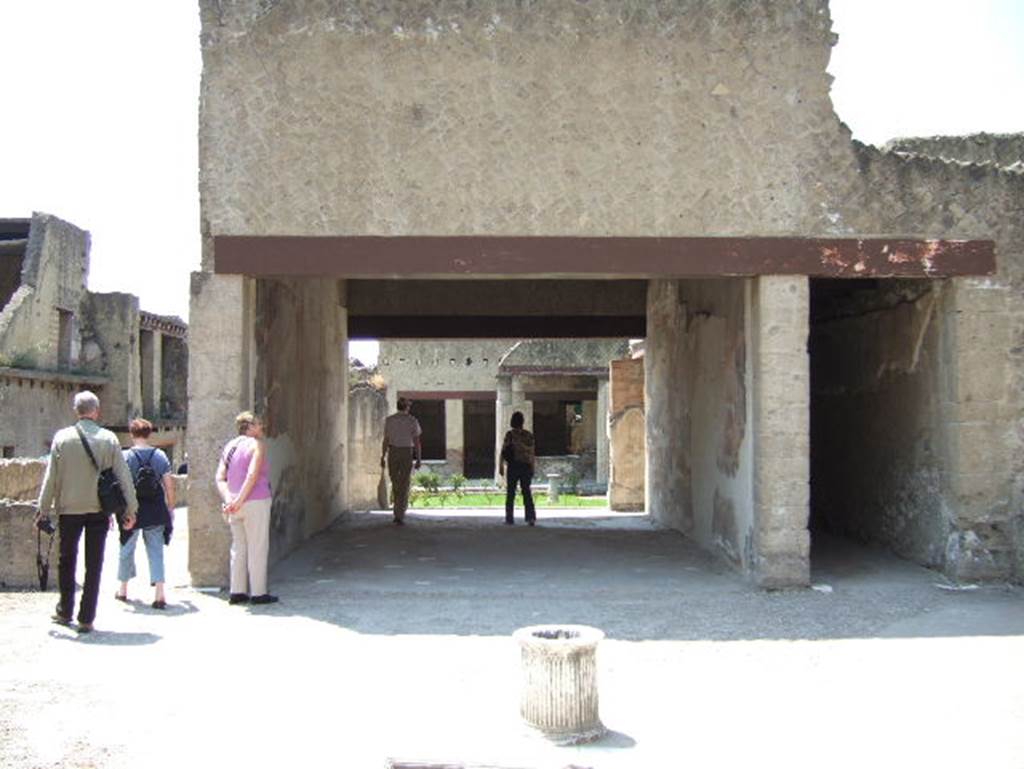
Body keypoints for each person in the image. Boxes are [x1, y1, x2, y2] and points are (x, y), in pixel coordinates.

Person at [35, 391, 138, 633]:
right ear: (96, 411)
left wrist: (42, 509)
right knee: (94, 562)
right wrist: (130, 510)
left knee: (66, 560)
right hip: (99, 510)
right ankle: (86, 617)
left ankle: (65, 609)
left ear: (76, 411)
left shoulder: (62, 438)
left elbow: (51, 478)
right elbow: (124, 478)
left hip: (69, 508)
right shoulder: (109, 439)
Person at [215, 411, 277, 605]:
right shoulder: (256, 445)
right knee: (257, 546)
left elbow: (219, 477)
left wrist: (230, 500)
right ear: (249, 427)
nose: (261, 428)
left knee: (238, 547)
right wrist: (240, 499)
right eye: (258, 424)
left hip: (233, 505)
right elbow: (252, 475)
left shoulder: (229, 447)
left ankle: (237, 591)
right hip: (255, 501)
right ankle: (258, 593)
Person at [115, 419, 175, 609]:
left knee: (126, 548)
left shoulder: (125, 456)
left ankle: (123, 589)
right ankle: (159, 593)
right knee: (156, 550)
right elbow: (169, 485)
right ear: (149, 434)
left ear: (132, 434)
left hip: (132, 509)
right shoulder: (160, 456)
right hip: (155, 509)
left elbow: (120, 486)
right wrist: (171, 508)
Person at [380, 397, 422, 525]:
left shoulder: (390, 420)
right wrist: (418, 458)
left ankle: (398, 512)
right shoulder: (412, 421)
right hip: (406, 453)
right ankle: (400, 513)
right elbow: (416, 442)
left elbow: (386, 440)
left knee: (395, 481)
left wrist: (382, 456)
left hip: (393, 452)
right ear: (407, 407)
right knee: (404, 482)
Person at [499, 411, 536, 526]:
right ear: (522, 422)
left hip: (513, 466)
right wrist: (533, 467)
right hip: (525, 466)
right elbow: (532, 453)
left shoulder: (509, 435)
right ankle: (530, 518)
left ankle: (509, 518)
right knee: (526, 492)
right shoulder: (528, 435)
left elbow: (503, 450)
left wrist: (500, 466)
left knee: (511, 492)